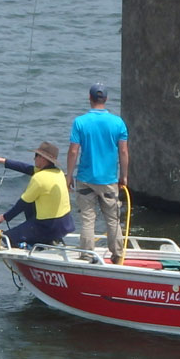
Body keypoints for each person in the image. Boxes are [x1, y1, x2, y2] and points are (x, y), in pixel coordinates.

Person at [66, 82, 129, 260]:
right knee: (113, 220)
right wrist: (123, 176)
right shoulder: (118, 123)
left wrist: (69, 176)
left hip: (85, 178)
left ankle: (86, 255)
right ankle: (117, 255)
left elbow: (73, 151)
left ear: (89, 98)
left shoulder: (80, 122)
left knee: (87, 219)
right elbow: (123, 151)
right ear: (106, 99)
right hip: (109, 180)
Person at [0, 141, 74, 247]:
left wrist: (5, 217)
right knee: (32, 204)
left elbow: (22, 204)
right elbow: (26, 168)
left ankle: (33, 246)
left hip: (48, 226)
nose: (34, 158)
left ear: (43, 159)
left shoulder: (39, 178)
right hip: (65, 225)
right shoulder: (59, 173)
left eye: (36, 156)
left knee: (7, 238)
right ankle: (46, 240)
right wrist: (2, 161)